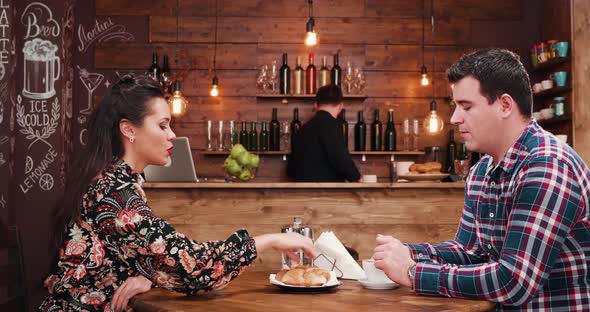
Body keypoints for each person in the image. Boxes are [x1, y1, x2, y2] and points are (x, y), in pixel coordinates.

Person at [40, 75, 315, 311]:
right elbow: (193, 266)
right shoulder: (114, 194)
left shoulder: (111, 181)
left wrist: (148, 274)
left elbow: (143, 253)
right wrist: (273, 239)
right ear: (128, 130)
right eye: (162, 125)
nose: (172, 135)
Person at [372, 48, 590, 311]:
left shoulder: (547, 166)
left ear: (505, 105)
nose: (454, 118)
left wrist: (412, 272)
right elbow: (470, 251)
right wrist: (409, 253)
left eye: (466, 106)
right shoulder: (481, 171)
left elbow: (513, 282)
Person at [288, 84, 361, 182]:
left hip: (301, 193)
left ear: (316, 105)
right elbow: (341, 160)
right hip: (326, 193)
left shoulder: (303, 129)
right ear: (341, 106)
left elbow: (291, 170)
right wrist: (357, 178)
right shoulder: (331, 125)